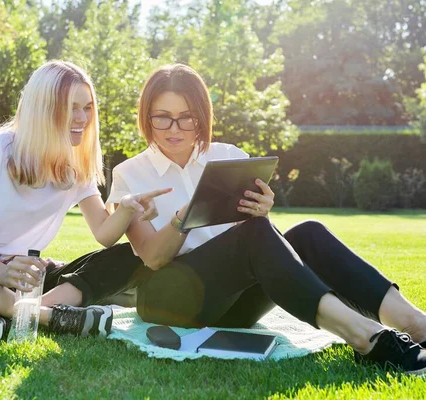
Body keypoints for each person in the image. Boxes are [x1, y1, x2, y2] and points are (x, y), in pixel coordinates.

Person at [106, 63, 426, 374]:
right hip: (168, 300)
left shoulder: (228, 156)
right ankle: (365, 336)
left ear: (201, 117)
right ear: (146, 117)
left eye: (186, 118)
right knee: (253, 234)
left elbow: (252, 237)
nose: (174, 129)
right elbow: (152, 257)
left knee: (308, 234)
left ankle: (415, 323)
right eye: (162, 118)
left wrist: (261, 208)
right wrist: (181, 217)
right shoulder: (129, 175)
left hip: (233, 304)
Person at [0, 61, 165, 340]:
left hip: (25, 281)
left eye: (87, 107)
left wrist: (128, 208)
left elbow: (105, 235)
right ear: (44, 107)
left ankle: (6, 315)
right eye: (71, 107)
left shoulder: (75, 165)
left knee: (131, 256)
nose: (82, 118)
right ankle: (41, 315)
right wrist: (1, 272)